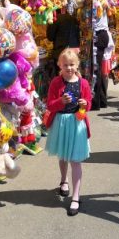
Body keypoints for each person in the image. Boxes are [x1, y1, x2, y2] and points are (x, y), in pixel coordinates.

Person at [44, 49, 93, 215]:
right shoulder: (56, 82)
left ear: (77, 65)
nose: (69, 68)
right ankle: (63, 181)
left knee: (76, 160)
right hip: (61, 123)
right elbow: (50, 105)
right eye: (65, 65)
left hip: (77, 123)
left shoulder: (83, 83)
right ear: (60, 65)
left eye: (72, 64)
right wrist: (60, 101)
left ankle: (76, 196)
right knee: (63, 156)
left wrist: (85, 104)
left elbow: (89, 104)